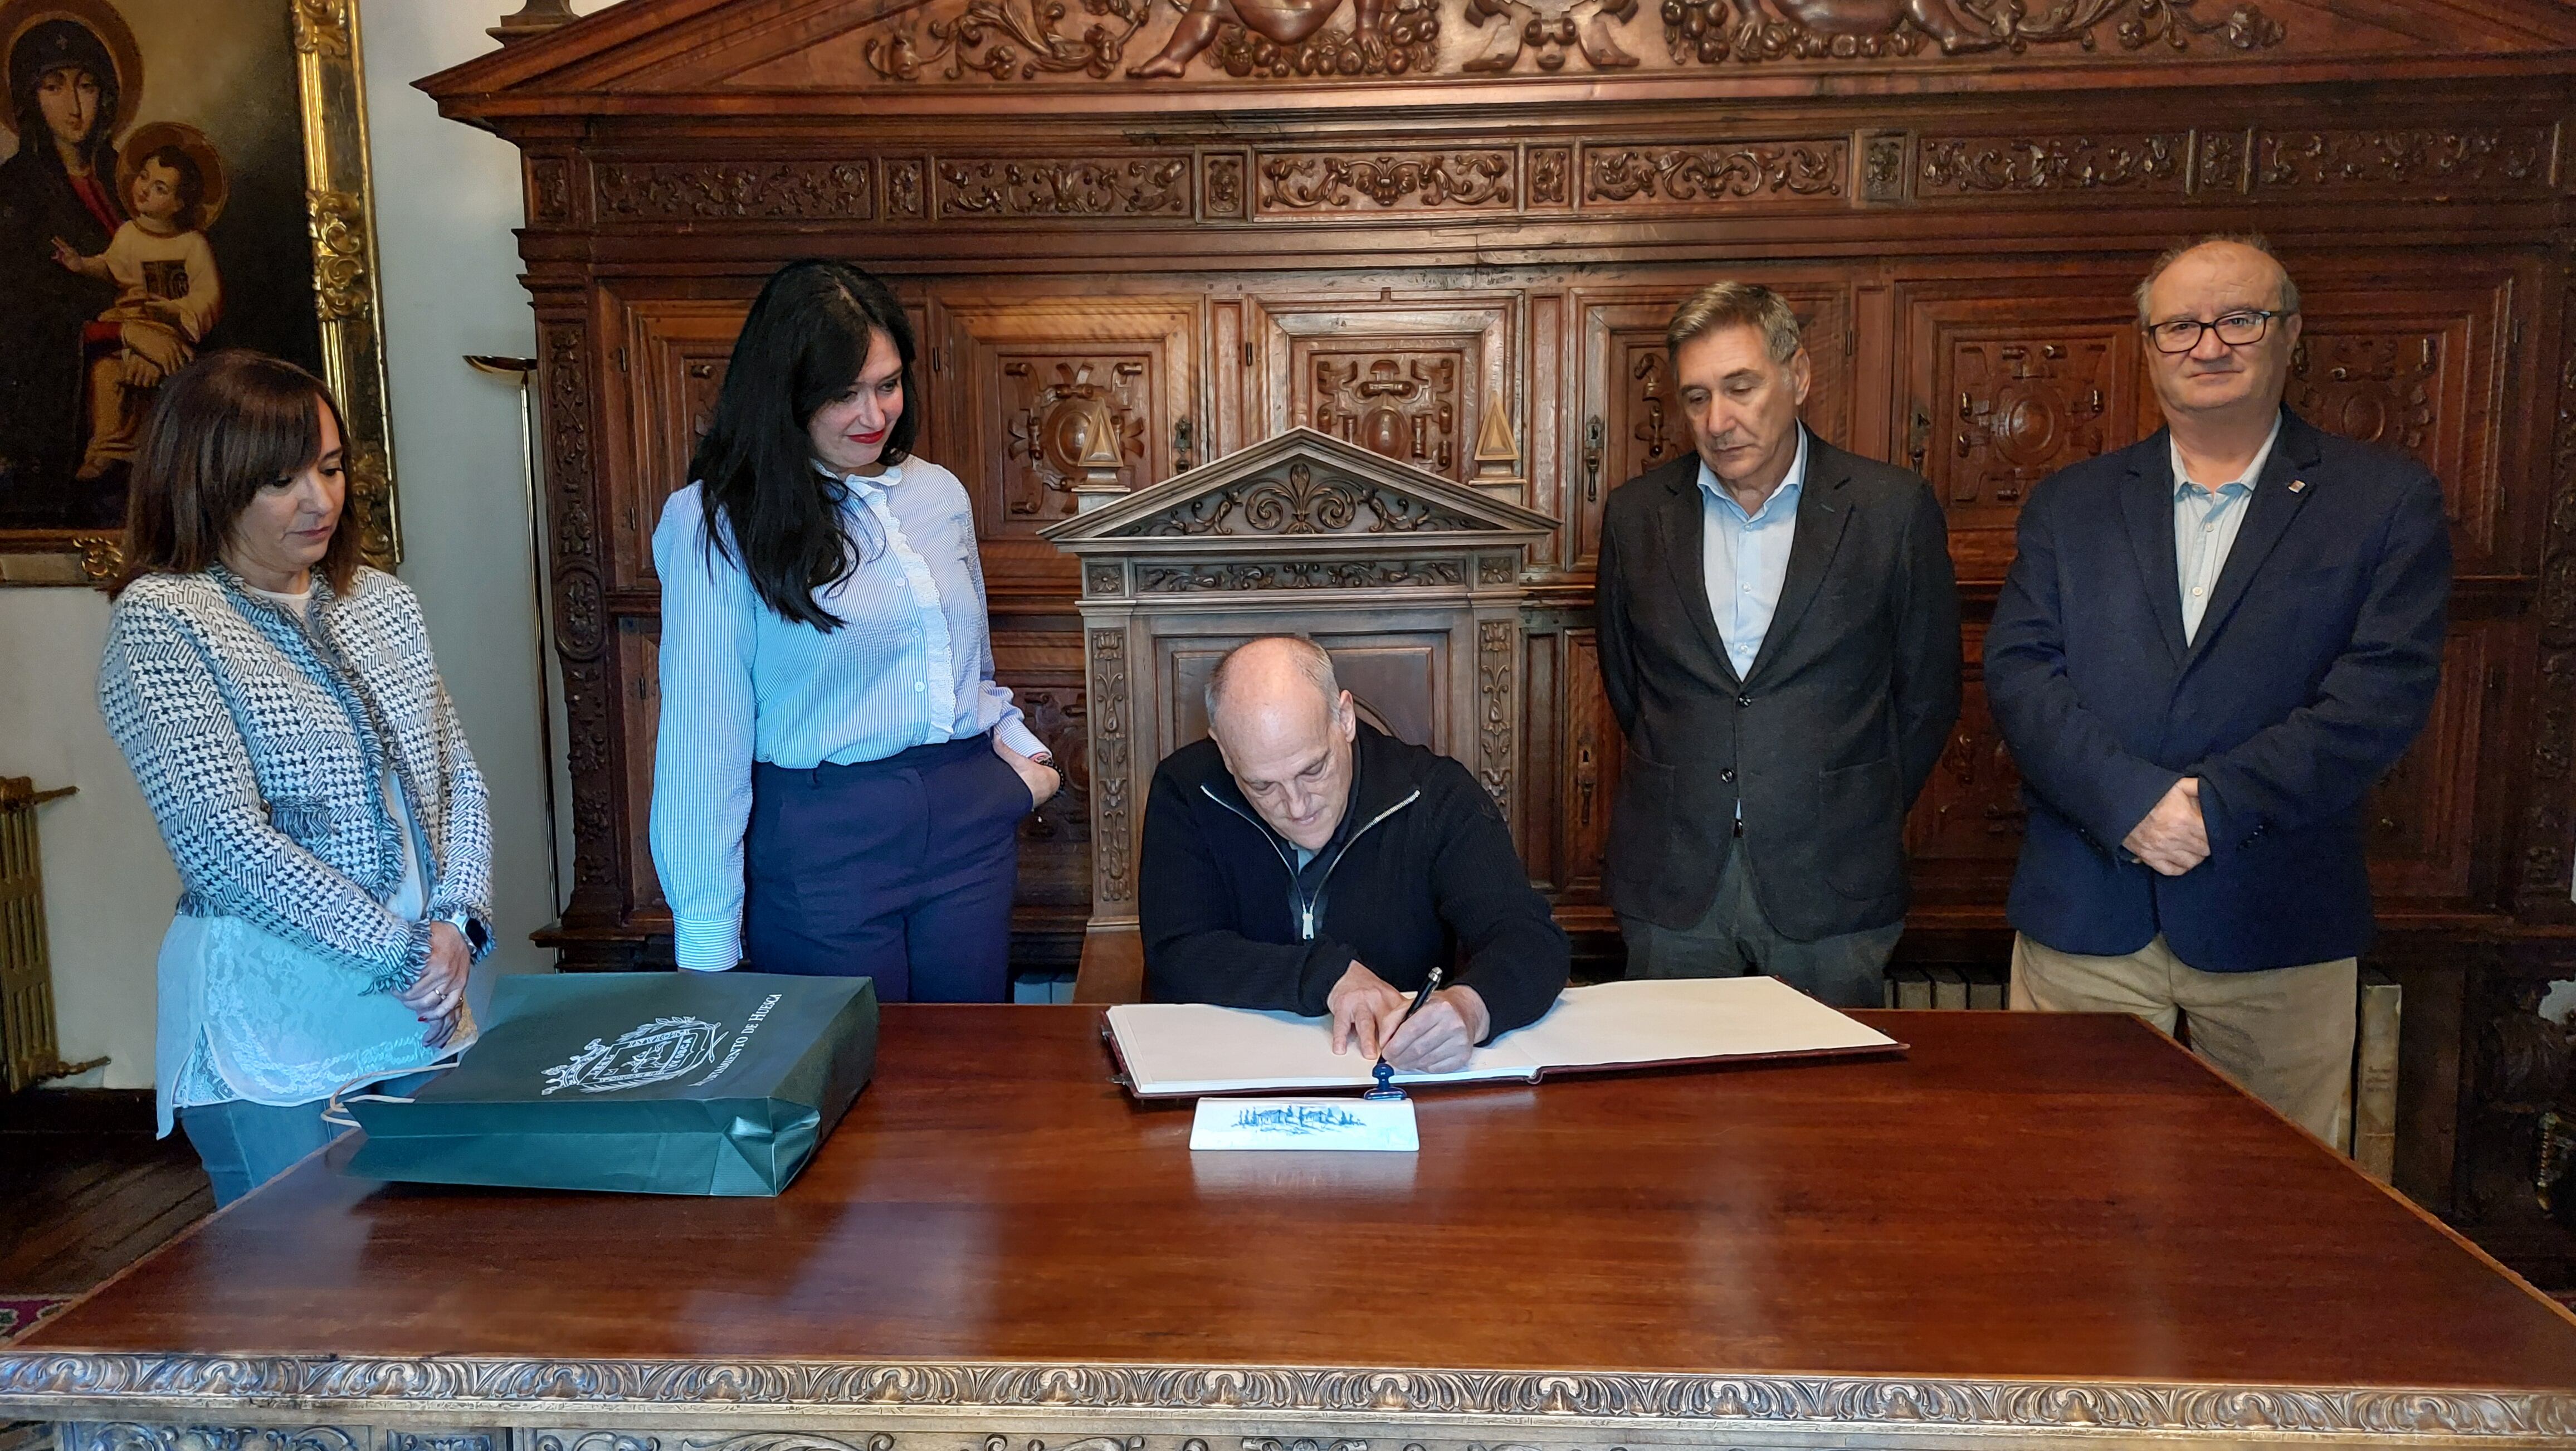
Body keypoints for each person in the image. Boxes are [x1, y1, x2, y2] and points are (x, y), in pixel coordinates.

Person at [1984, 235, 2450, 1145]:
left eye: (2238, 318)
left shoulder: (2382, 501)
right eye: (2178, 325)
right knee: (2064, 1189)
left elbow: (2377, 693)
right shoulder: (2068, 503)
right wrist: (2130, 803)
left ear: (2290, 335)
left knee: (2278, 1212)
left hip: (2275, 912)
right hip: (2087, 909)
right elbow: (2019, 673)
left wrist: (2215, 806)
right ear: (2146, 343)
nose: (2207, 344)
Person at [96, 351, 491, 1206]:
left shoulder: (382, 600)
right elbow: (223, 845)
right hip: (272, 1019)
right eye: (281, 479)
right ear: (210, 482)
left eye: (332, 466)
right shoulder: (164, 619)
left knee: (444, 1280)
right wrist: (401, 951)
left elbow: (455, 777)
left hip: (423, 1005)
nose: (320, 499)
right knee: (296, 1293)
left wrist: (459, 919)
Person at [651, 259, 1057, 999]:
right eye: (843, 394)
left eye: (887, 384)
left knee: (968, 1076)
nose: (874, 415)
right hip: (822, 841)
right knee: (848, 1079)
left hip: (967, 822)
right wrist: (706, 944)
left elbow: (973, 672)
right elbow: (701, 739)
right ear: (785, 395)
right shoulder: (714, 524)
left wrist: (1029, 767)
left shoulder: (938, 495)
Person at [1594, 281, 1960, 1008]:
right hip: (1675, 886)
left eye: (1740, 387)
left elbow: (1929, 695)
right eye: (1697, 398)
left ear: (1797, 378)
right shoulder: (1638, 517)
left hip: (1833, 883)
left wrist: (1851, 806)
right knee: (1670, 1108)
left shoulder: (1891, 510)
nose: (1719, 420)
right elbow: (1629, 685)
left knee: (1825, 1113)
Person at [1138, 636, 1569, 1073]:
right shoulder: (1188, 790)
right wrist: (1327, 974)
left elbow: (1530, 939)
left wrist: (1470, 1008)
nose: (1298, 805)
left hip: (1392, 1076)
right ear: (1226, 754)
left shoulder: (1434, 795)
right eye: (1262, 785)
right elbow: (1176, 956)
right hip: (1233, 1073)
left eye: (1313, 769)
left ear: (1344, 718)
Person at [0, 18, 123, 517]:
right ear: (32, 99)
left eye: (87, 86)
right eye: (54, 88)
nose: (74, 107)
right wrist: (117, 329)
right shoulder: (14, 190)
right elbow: (19, 308)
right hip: (63, 402)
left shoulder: (132, 174)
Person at [57, 135, 224, 479]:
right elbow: (110, 266)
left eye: (160, 188)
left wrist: (172, 312)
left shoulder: (193, 245)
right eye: (144, 177)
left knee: (166, 380)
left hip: (172, 329)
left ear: (179, 203)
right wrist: (80, 264)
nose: (144, 189)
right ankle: (106, 450)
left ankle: (154, 457)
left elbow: (208, 297)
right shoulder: (128, 233)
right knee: (106, 373)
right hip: (130, 322)